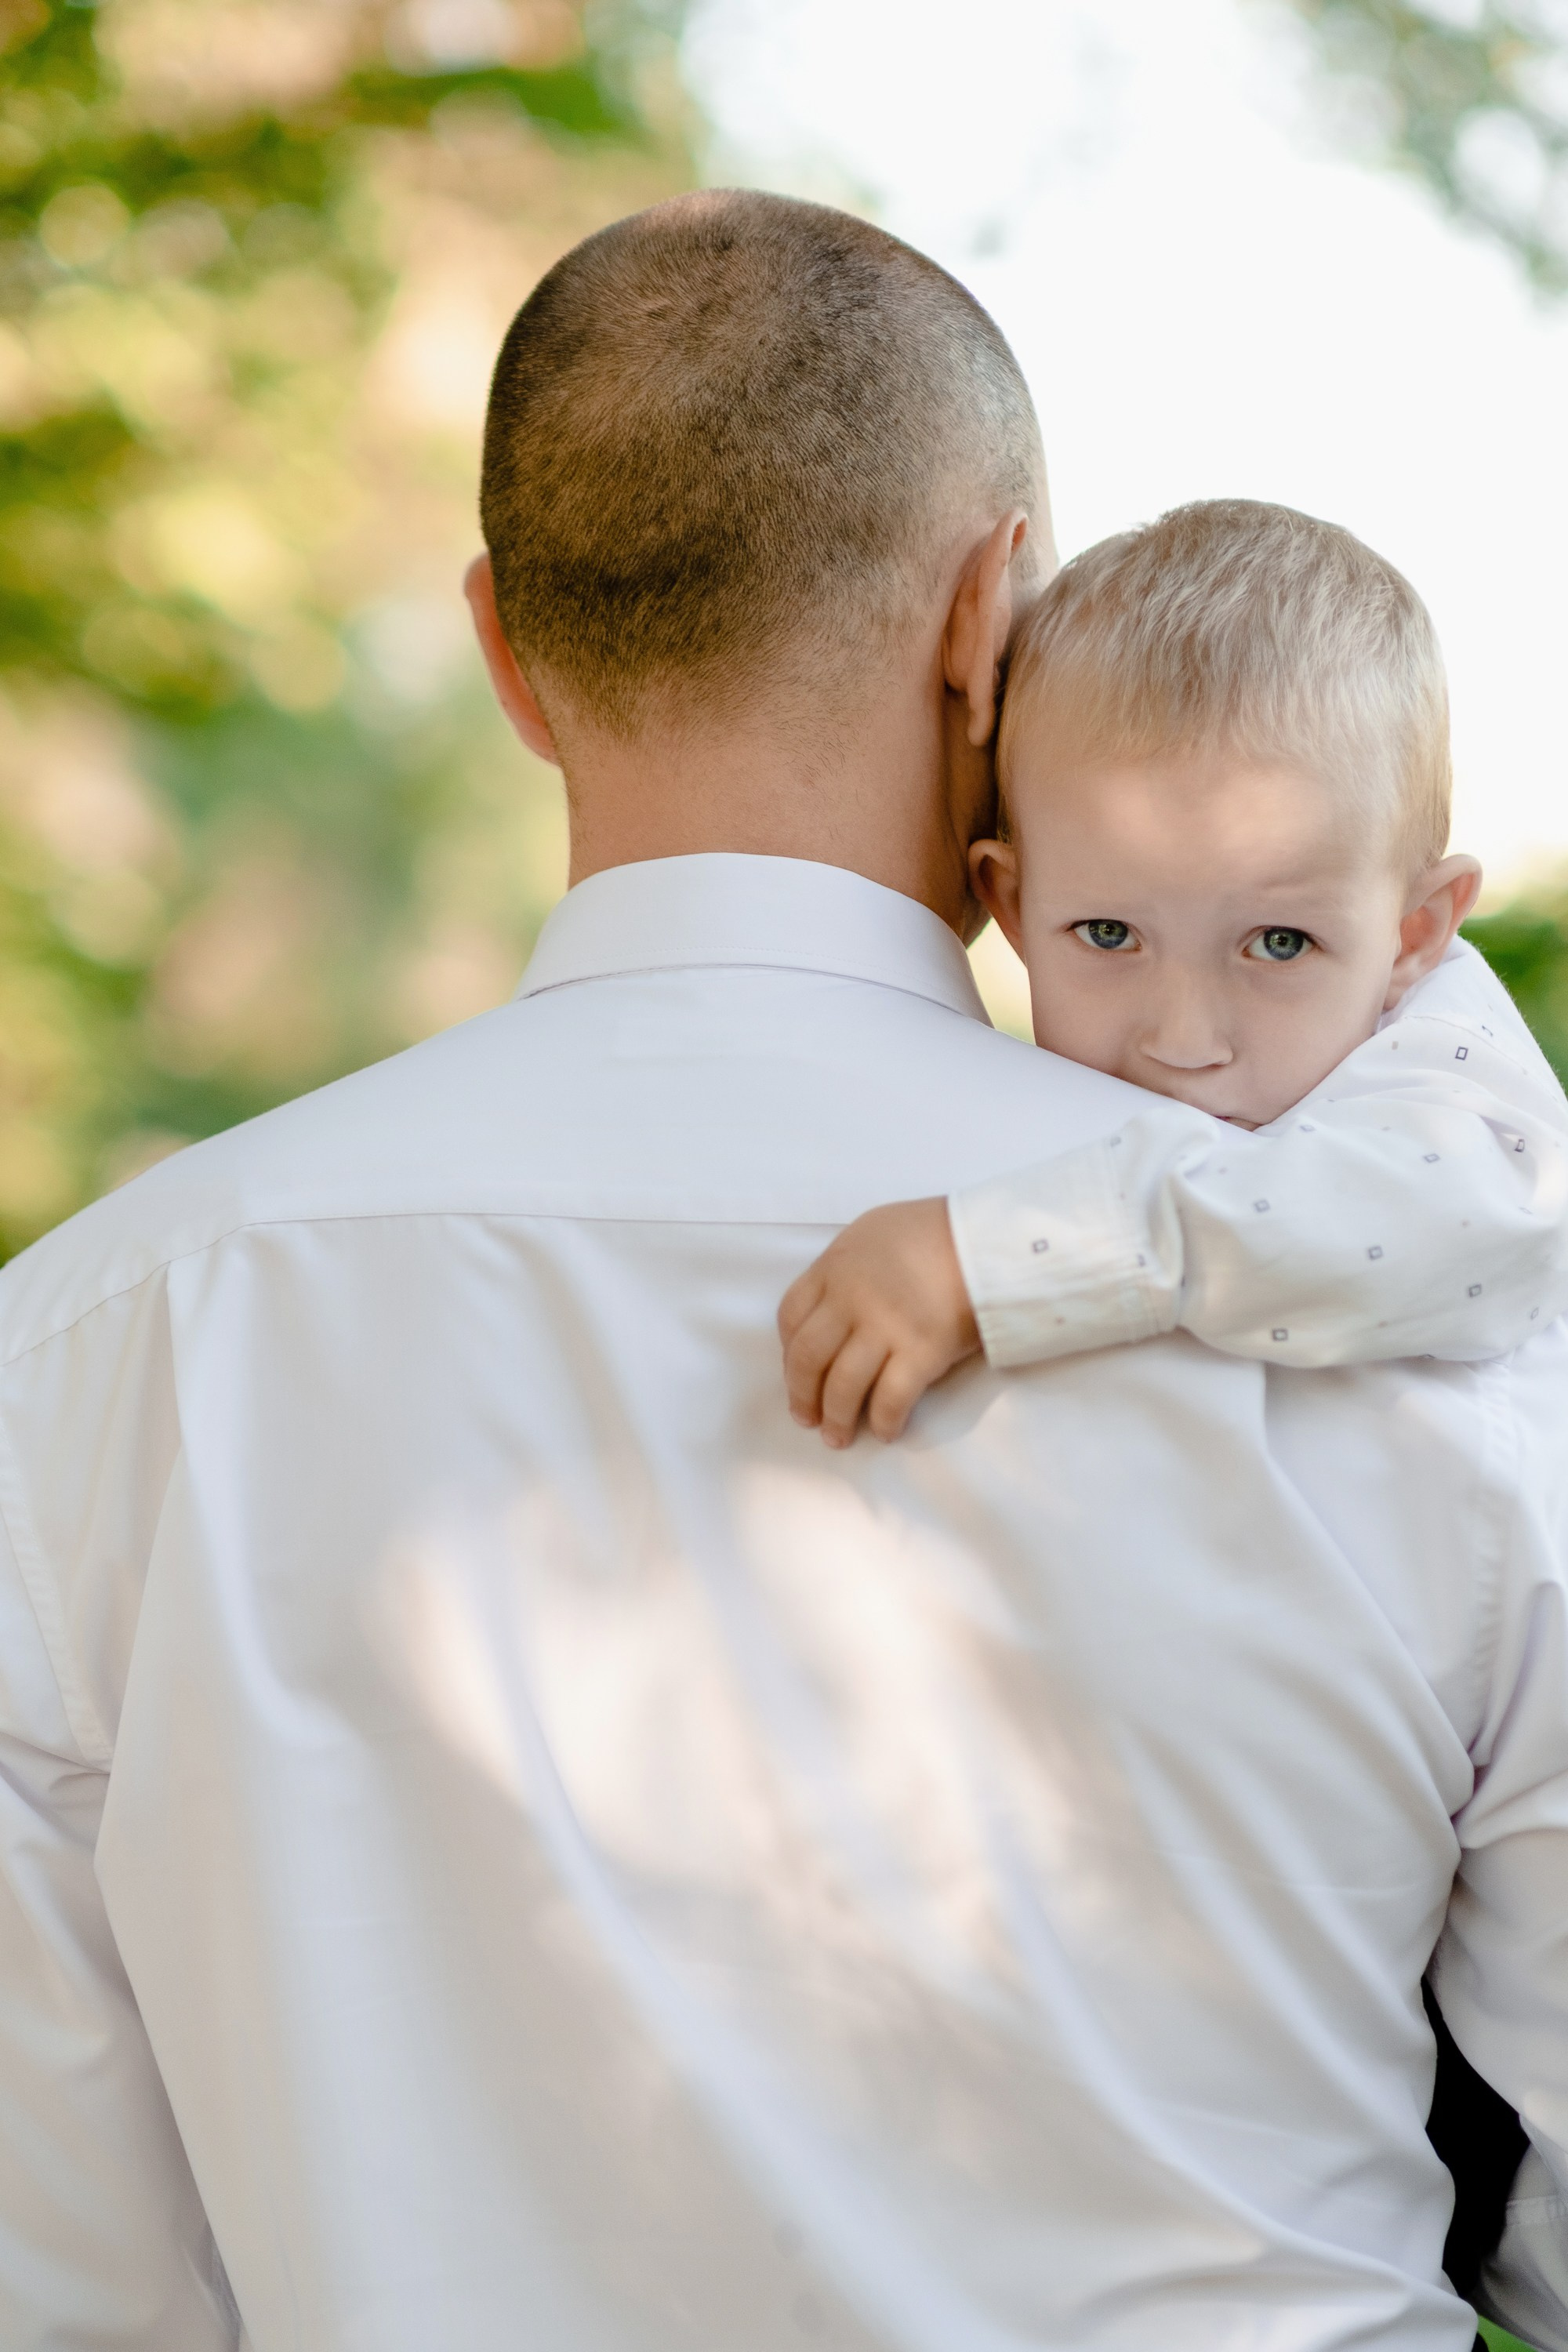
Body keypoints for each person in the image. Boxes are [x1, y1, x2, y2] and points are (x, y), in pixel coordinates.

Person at [0, 190, 1565, 2352]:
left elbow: (59, 2280)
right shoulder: (1434, 1318)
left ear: (505, 655)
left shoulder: (87, 1357)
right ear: (987, 616)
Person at [779, 498, 1568, 1447]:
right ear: (1009, 907)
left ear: (1412, 932)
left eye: (1277, 944)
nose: (1182, 1043)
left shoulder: (1456, 1088)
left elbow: (1439, 1225)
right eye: (1109, 933)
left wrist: (982, 1258)